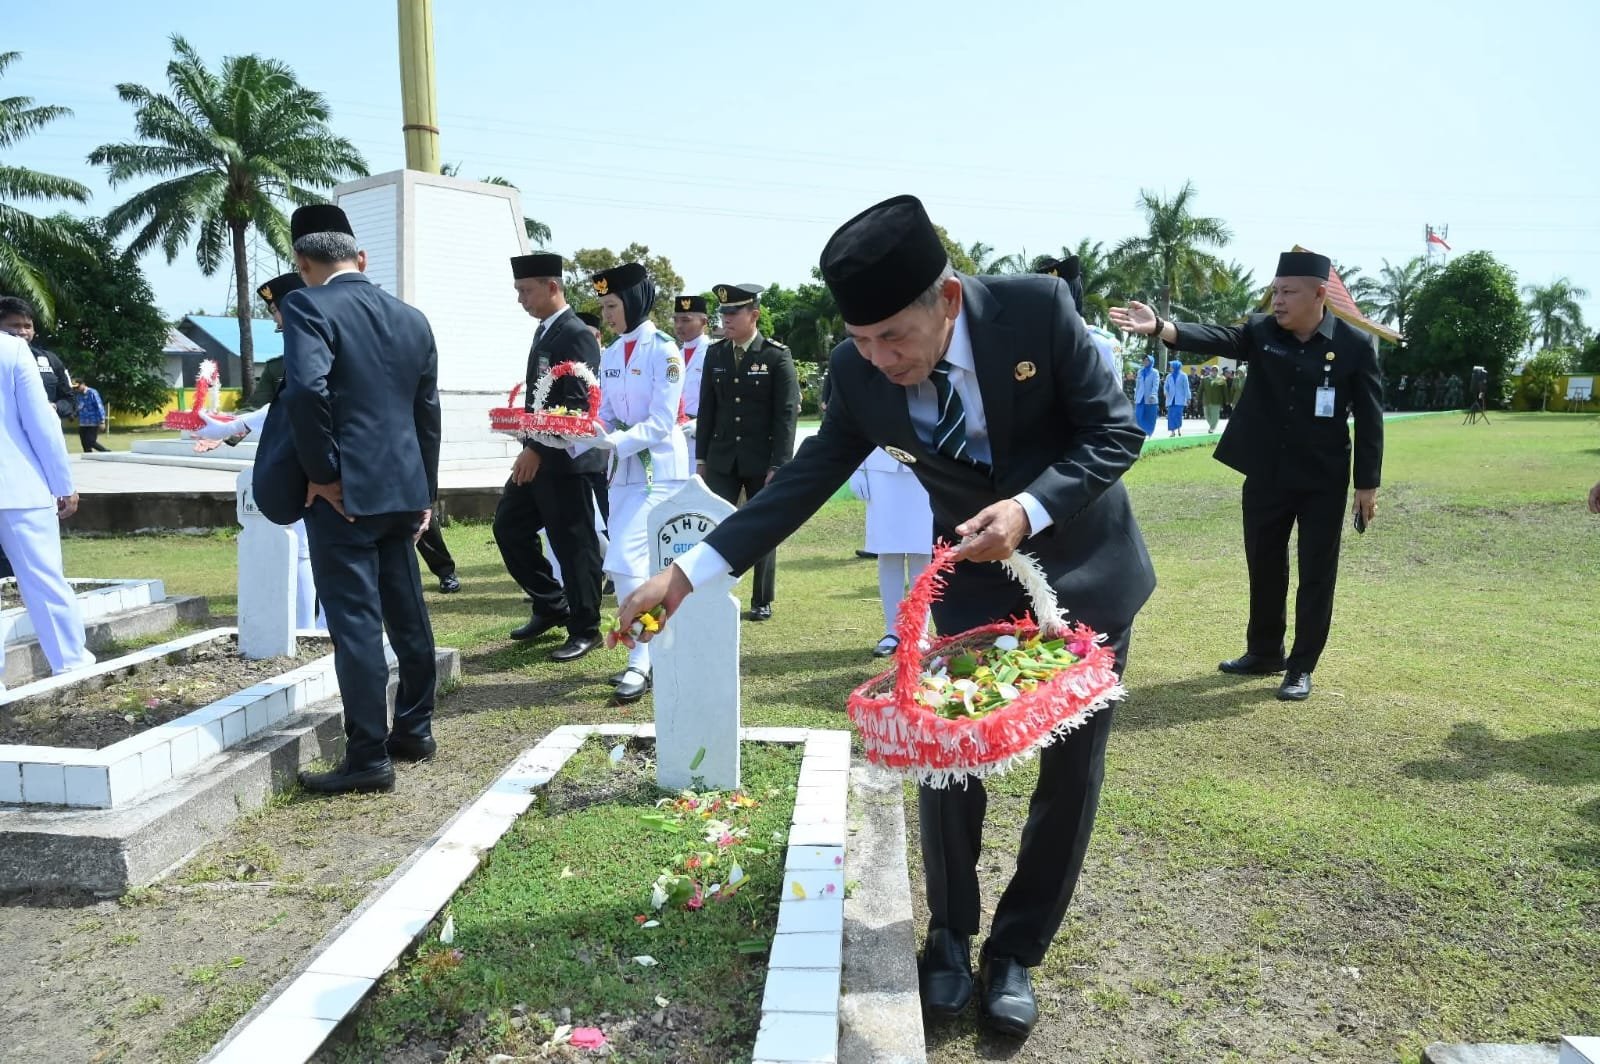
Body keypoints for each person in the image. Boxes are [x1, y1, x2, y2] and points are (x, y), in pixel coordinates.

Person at [617, 194, 1155, 1039]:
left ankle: (1015, 951)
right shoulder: (860, 368)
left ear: (947, 300)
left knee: (1069, 772)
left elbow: (1113, 434)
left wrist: (1027, 509)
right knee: (946, 763)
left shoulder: (1037, 312)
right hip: (968, 587)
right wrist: (690, 571)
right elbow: (806, 477)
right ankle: (947, 936)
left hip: (1082, 578)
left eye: (893, 338)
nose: (879, 359)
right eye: (861, 341)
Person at [1110, 250, 1383, 702]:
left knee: (1317, 572)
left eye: (1288, 292)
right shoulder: (1261, 332)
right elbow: (1216, 336)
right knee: (1264, 564)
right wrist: (1160, 327)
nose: (1277, 301)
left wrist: (1367, 484)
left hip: (1323, 479)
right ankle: (1264, 652)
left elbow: (1371, 418)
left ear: (1319, 294)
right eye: (1275, 291)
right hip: (1266, 474)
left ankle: (1300, 666)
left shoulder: (1353, 345)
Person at [273, 203, 441, 795]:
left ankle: (369, 756)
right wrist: (426, 491)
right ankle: (415, 728)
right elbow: (427, 412)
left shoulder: (306, 305)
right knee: (407, 611)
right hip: (403, 490)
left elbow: (307, 390)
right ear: (360, 258)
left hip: (344, 496)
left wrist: (322, 473)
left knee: (357, 627)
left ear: (302, 262)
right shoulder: (411, 318)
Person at [573, 262, 689, 703]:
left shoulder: (664, 351)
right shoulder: (610, 353)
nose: (606, 314)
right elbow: (604, 413)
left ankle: (640, 660)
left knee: (623, 560)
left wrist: (614, 440)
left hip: (659, 470)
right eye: (603, 306)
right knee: (628, 565)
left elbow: (662, 422)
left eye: (612, 305)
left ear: (635, 301)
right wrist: (582, 435)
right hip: (622, 472)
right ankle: (650, 653)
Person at [494, 253, 607, 661]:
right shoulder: (545, 331)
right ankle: (551, 603)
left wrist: (537, 448)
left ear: (552, 287)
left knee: (573, 544)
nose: (521, 299)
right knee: (509, 528)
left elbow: (576, 404)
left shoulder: (575, 333)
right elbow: (540, 398)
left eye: (526, 290)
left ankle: (585, 627)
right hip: (537, 454)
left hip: (565, 460)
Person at [694, 283, 799, 621]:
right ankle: (709, 590)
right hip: (722, 456)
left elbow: (786, 414)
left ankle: (761, 598)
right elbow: (707, 409)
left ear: (753, 314)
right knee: (712, 524)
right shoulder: (716, 353)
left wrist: (779, 464)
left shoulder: (775, 355)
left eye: (733, 312)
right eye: (723, 312)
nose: (726, 319)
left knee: (764, 529)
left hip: (761, 458)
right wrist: (701, 459)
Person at [0, 330, 95, 677]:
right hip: (18, 483)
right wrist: (62, 484)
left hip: (20, 485)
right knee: (44, 581)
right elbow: (41, 422)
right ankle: (71, 663)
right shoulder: (12, 349)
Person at [848, 447, 933, 656]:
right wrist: (857, 469)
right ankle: (892, 631)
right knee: (888, 553)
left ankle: (919, 631)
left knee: (922, 555)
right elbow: (858, 424)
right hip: (880, 468)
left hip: (926, 467)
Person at [0, 296, 75, 421]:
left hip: (42, 435)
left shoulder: (50, 359)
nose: (23, 332)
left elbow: (70, 400)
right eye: (15, 325)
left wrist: (54, 407)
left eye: (28, 326)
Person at [671, 294, 711, 439]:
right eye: (675, 320)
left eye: (685, 320)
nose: (678, 326)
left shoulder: (714, 353)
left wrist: (701, 423)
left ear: (704, 322)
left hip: (703, 433)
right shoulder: (673, 355)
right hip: (674, 432)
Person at [72, 379, 110, 452]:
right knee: (85, 444)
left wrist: (102, 421)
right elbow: (79, 407)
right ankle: (88, 459)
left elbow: (99, 406)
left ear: (83, 384)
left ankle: (105, 451)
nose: (76, 389)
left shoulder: (92, 392)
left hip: (93, 422)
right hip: (83, 423)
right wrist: (74, 414)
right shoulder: (78, 395)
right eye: (74, 388)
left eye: (77, 387)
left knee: (91, 441)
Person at [1132, 354, 1160, 436]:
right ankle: (1140, 432)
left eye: (1147, 360)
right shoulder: (1140, 372)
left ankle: (1148, 432)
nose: (1145, 362)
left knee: (1149, 417)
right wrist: (1135, 395)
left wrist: (1153, 394)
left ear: (1151, 361)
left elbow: (1155, 384)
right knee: (1138, 415)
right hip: (1140, 398)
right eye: (1144, 360)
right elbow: (1137, 385)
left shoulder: (1155, 372)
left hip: (1150, 398)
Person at [1164, 359, 1191, 437]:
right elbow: (1166, 386)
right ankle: (1172, 432)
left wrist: (1188, 397)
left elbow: (1186, 387)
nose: (1170, 368)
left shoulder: (1183, 375)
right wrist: (1165, 392)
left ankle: (1178, 429)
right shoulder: (1168, 376)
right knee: (1171, 415)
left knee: (1178, 415)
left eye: (1171, 367)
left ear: (1176, 367)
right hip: (1171, 399)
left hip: (1180, 399)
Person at [1200, 365, 1229, 433]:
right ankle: (1212, 426)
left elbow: (1225, 391)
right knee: (1206, 415)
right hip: (1206, 400)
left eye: (1216, 370)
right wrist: (1197, 398)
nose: (1214, 371)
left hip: (1217, 400)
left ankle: (1212, 428)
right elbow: (1201, 389)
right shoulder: (1205, 379)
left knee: (1215, 415)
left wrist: (1227, 400)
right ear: (1211, 371)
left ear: (1218, 371)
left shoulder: (1222, 379)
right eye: (1213, 370)